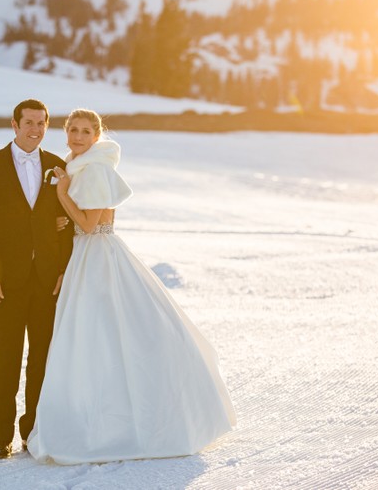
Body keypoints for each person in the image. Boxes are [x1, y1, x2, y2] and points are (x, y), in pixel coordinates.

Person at [27, 109, 236, 464]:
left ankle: (112, 427)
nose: (78, 136)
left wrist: (63, 194)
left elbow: (90, 225)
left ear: (97, 136)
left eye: (86, 131)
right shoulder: (81, 164)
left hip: (97, 256)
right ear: (66, 133)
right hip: (85, 256)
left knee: (100, 334)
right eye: (73, 130)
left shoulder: (92, 169)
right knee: (95, 337)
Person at [0, 99, 74, 459]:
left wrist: (62, 268)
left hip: (46, 281)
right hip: (6, 283)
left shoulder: (58, 167)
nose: (36, 129)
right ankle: (0, 436)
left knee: (43, 360)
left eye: (42, 123)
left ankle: (33, 432)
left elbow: (67, 224)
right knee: (5, 359)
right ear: (14, 124)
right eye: (29, 122)